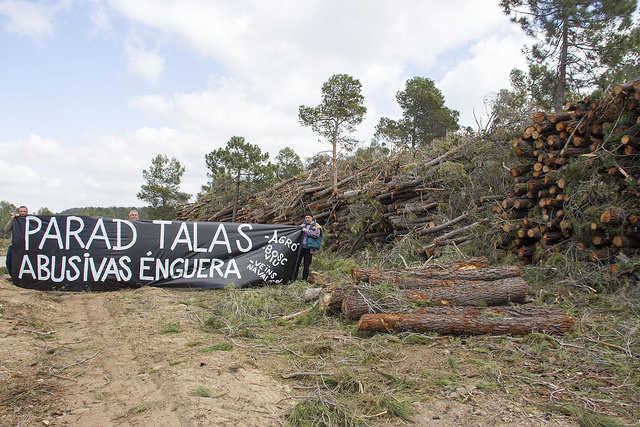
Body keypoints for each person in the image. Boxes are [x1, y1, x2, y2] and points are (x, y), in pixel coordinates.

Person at [293, 214, 322, 282]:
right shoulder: (303, 225)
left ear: (312, 218)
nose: (307, 219)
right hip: (301, 248)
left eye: (308, 217)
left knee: (306, 264)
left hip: (309, 248)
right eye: (306, 218)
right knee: (297, 263)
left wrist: (306, 231)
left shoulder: (316, 226)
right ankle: (293, 278)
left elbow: (316, 235)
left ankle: (304, 279)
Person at [3, 205, 28, 277]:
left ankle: (24, 278)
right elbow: (5, 230)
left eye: (24, 211)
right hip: (14, 246)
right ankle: (13, 277)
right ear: (18, 212)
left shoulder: (31, 221)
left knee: (24, 263)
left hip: (26, 247)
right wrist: (11, 220)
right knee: (9, 262)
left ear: (27, 212)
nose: (22, 213)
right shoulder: (15, 220)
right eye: (21, 211)